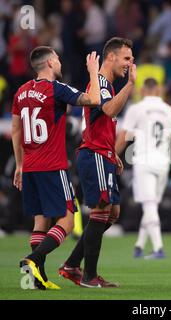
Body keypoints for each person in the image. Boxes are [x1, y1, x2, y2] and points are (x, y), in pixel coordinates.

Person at [12, 46, 101, 290]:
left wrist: (19, 164)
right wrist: (93, 72)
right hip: (52, 165)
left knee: (40, 221)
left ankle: (34, 280)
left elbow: (16, 130)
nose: (61, 63)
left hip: (29, 166)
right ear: (50, 63)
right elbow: (94, 100)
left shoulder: (20, 92)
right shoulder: (56, 90)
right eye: (58, 59)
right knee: (67, 220)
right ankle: (33, 260)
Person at [58, 37, 136, 288]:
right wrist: (131, 85)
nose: (129, 64)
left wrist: (114, 153)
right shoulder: (101, 83)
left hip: (103, 154)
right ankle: (89, 276)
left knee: (113, 212)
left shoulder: (105, 85)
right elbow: (110, 111)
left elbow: (104, 123)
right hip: (94, 154)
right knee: (103, 210)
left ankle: (71, 265)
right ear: (111, 57)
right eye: (126, 58)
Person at [116, 77, 171, 259]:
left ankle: (159, 248)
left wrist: (112, 154)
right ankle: (139, 245)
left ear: (142, 91)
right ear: (159, 91)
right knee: (151, 205)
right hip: (162, 163)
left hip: (144, 161)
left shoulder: (136, 109)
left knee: (149, 204)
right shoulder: (169, 110)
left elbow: (123, 136)